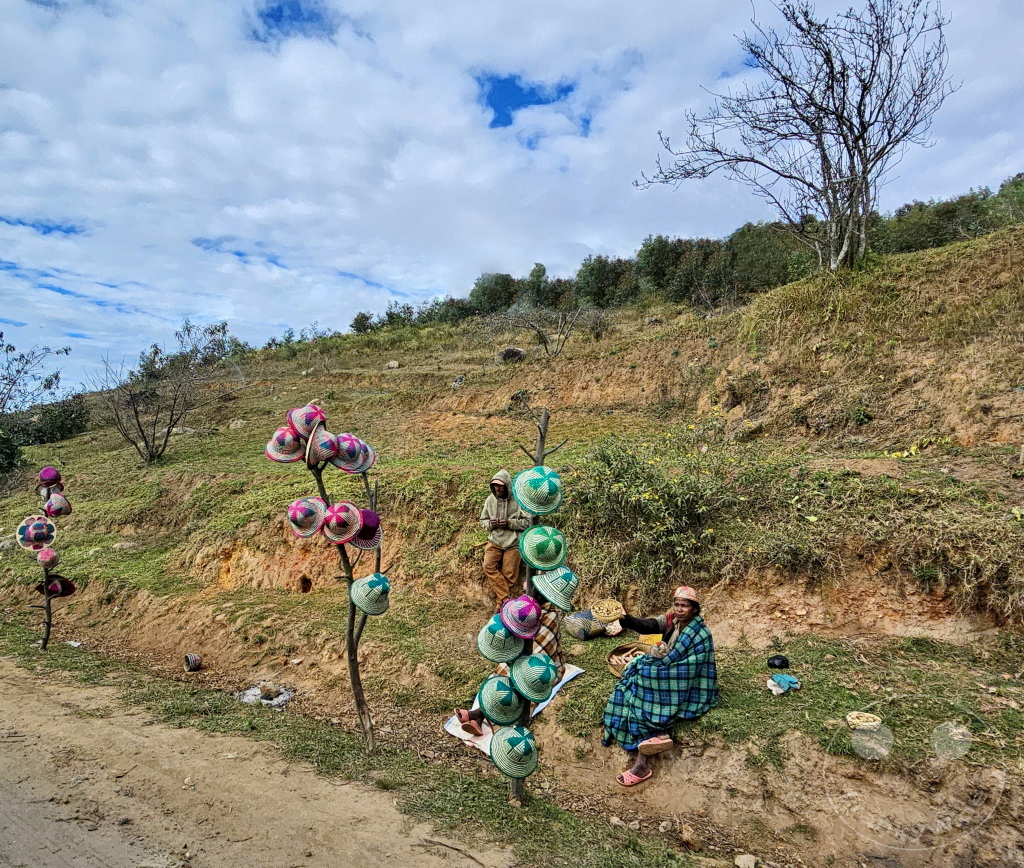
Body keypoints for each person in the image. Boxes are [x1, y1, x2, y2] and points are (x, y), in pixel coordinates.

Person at [602, 585, 717, 787]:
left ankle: (648, 752)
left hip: (689, 680)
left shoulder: (700, 633)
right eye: (677, 604)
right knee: (631, 682)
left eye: (685, 606)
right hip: (671, 668)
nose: (680, 609)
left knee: (645, 676)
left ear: (695, 609)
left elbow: (692, 666)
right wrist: (624, 618)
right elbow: (648, 625)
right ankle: (655, 735)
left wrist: (661, 669)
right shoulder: (672, 621)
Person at [479, 470, 530, 607]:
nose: (497, 488)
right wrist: (490, 523)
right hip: (494, 541)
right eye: (495, 485)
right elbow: (483, 519)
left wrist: (509, 523)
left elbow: (528, 522)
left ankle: (499, 604)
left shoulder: (518, 501)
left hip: (513, 543)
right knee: (488, 566)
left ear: (507, 485)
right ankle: (505, 600)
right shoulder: (490, 500)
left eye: (500, 485)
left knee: (510, 575)